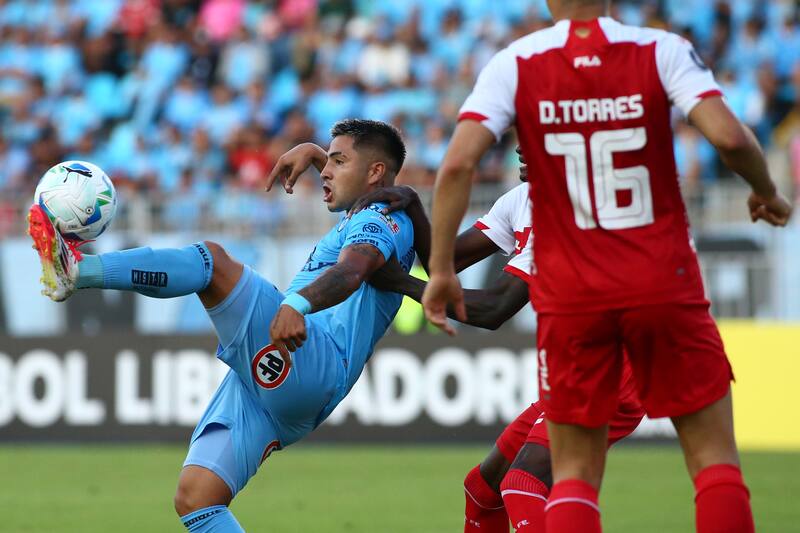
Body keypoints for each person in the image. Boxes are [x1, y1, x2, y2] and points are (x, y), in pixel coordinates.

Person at [421, 2, 793, 532]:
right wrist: (765, 190)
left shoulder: (517, 61)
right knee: (714, 465)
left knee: (571, 478)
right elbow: (731, 139)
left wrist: (438, 270)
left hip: (573, 294)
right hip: (661, 278)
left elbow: (457, 163)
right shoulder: (660, 48)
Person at [27, 119, 417, 532]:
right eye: (329, 160)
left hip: (309, 352)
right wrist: (316, 152)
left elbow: (353, 270)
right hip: (286, 392)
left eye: (338, 161)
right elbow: (364, 188)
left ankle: (79, 270)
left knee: (211, 264)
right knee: (197, 498)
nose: (325, 170)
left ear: (375, 172)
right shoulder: (375, 206)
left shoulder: (381, 217)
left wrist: (298, 304)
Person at [355, 151, 643, 533]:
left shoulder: (572, 213)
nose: (523, 147)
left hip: (613, 368)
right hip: (573, 367)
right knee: (482, 489)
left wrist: (399, 282)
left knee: (522, 484)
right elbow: (446, 261)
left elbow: (495, 309)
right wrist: (413, 209)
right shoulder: (520, 200)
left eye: (534, 134)